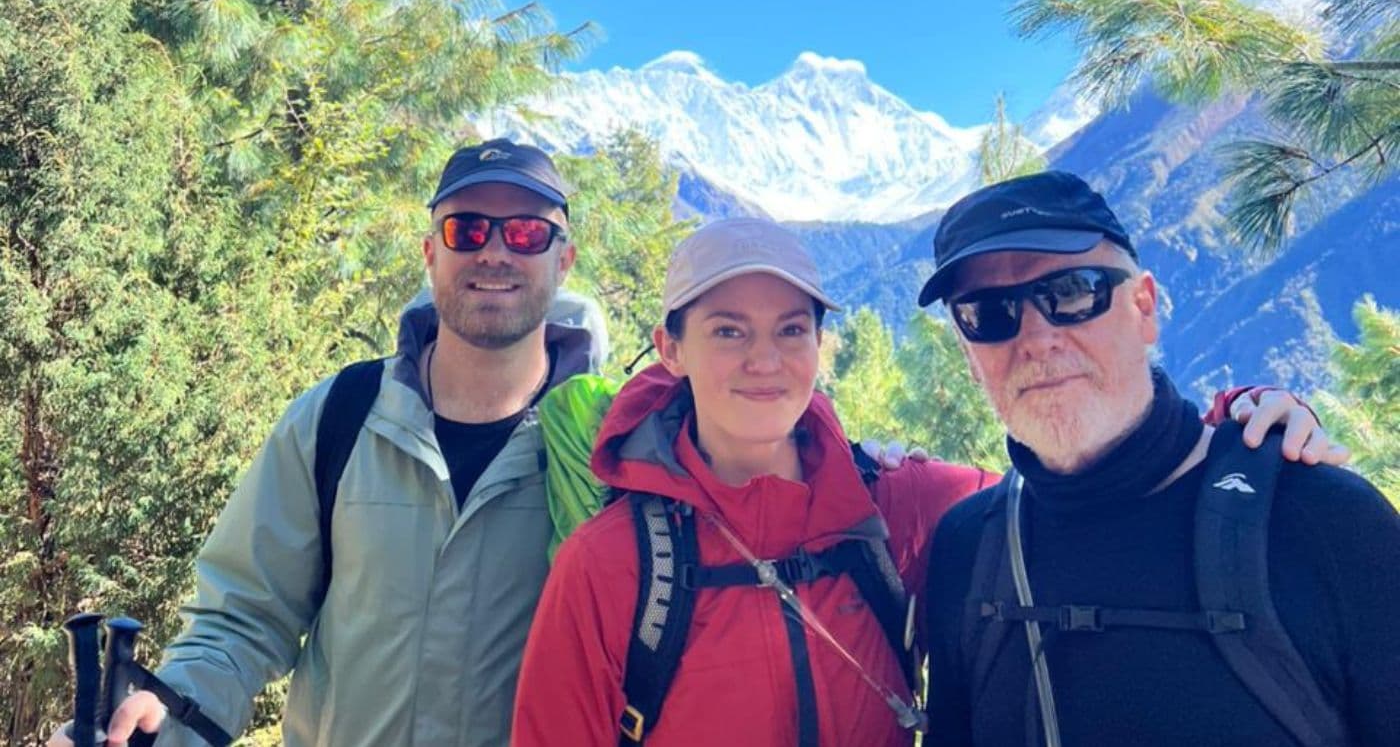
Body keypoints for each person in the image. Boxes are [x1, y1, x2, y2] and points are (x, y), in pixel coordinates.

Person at [511, 217, 1338, 747]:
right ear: (671, 348)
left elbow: (1088, 482)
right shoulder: (611, 564)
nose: (764, 360)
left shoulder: (892, 503)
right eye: (728, 330)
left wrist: (1237, 430)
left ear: (819, 345)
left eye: (791, 329)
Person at [56, 139, 598, 747]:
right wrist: (166, 715)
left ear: (564, 260)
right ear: (430, 254)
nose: (494, 252)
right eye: (466, 230)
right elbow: (243, 619)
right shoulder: (339, 417)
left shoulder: (602, 451)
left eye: (526, 233)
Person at [918, 171, 1400, 746]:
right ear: (968, 352)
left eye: (1073, 291)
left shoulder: (1322, 522)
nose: (1036, 337)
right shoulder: (966, 549)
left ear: (1144, 307)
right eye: (988, 313)